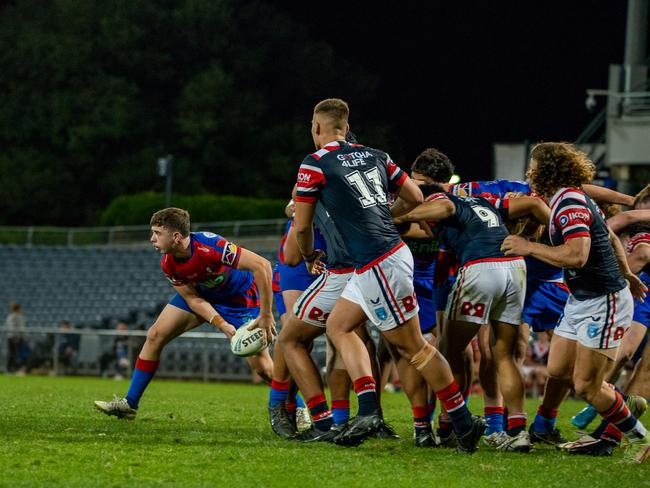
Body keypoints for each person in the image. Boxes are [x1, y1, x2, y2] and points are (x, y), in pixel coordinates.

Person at [293, 98, 484, 452]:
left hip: (379, 262)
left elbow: (302, 227)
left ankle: (463, 421)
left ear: (316, 128)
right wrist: (383, 217)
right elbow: (414, 198)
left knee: (414, 348)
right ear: (347, 128)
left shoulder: (314, 164)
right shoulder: (377, 155)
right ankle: (368, 410)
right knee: (339, 326)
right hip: (383, 258)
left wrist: (308, 256)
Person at [501, 142, 650, 463]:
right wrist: (627, 272)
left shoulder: (568, 203)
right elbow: (609, 236)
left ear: (544, 170)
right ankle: (570, 419)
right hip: (582, 298)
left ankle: (638, 437)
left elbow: (577, 255)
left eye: (533, 165)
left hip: (604, 300)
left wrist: (529, 247)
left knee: (586, 386)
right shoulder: (568, 197)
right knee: (557, 370)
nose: (530, 171)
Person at [395, 183, 550, 452]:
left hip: (481, 268)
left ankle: (448, 426)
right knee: (504, 354)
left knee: (447, 350)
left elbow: (445, 205)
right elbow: (528, 206)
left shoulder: (445, 202)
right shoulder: (483, 202)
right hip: (514, 268)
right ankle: (517, 431)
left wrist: (403, 215)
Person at [95, 207, 275, 419]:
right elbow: (192, 299)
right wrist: (221, 324)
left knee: (263, 368)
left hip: (238, 299)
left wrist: (266, 314)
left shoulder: (211, 246)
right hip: (201, 295)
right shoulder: (168, 262)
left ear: (176, 236)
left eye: (157, 233)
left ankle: (298, 408)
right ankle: (129, 404)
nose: (152, 238)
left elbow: (262, 266)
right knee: (155, 335)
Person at [4, 301, 29, 373]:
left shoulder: (16, 316)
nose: (21, 310)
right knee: (13, 354)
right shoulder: (13, 317)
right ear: (17, 309)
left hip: (16, 338)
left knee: (16, 354)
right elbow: (17, 328)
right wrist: (22, 336)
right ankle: (10, 369)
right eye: (20, 309)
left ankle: (15, 368)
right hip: (14, 338)